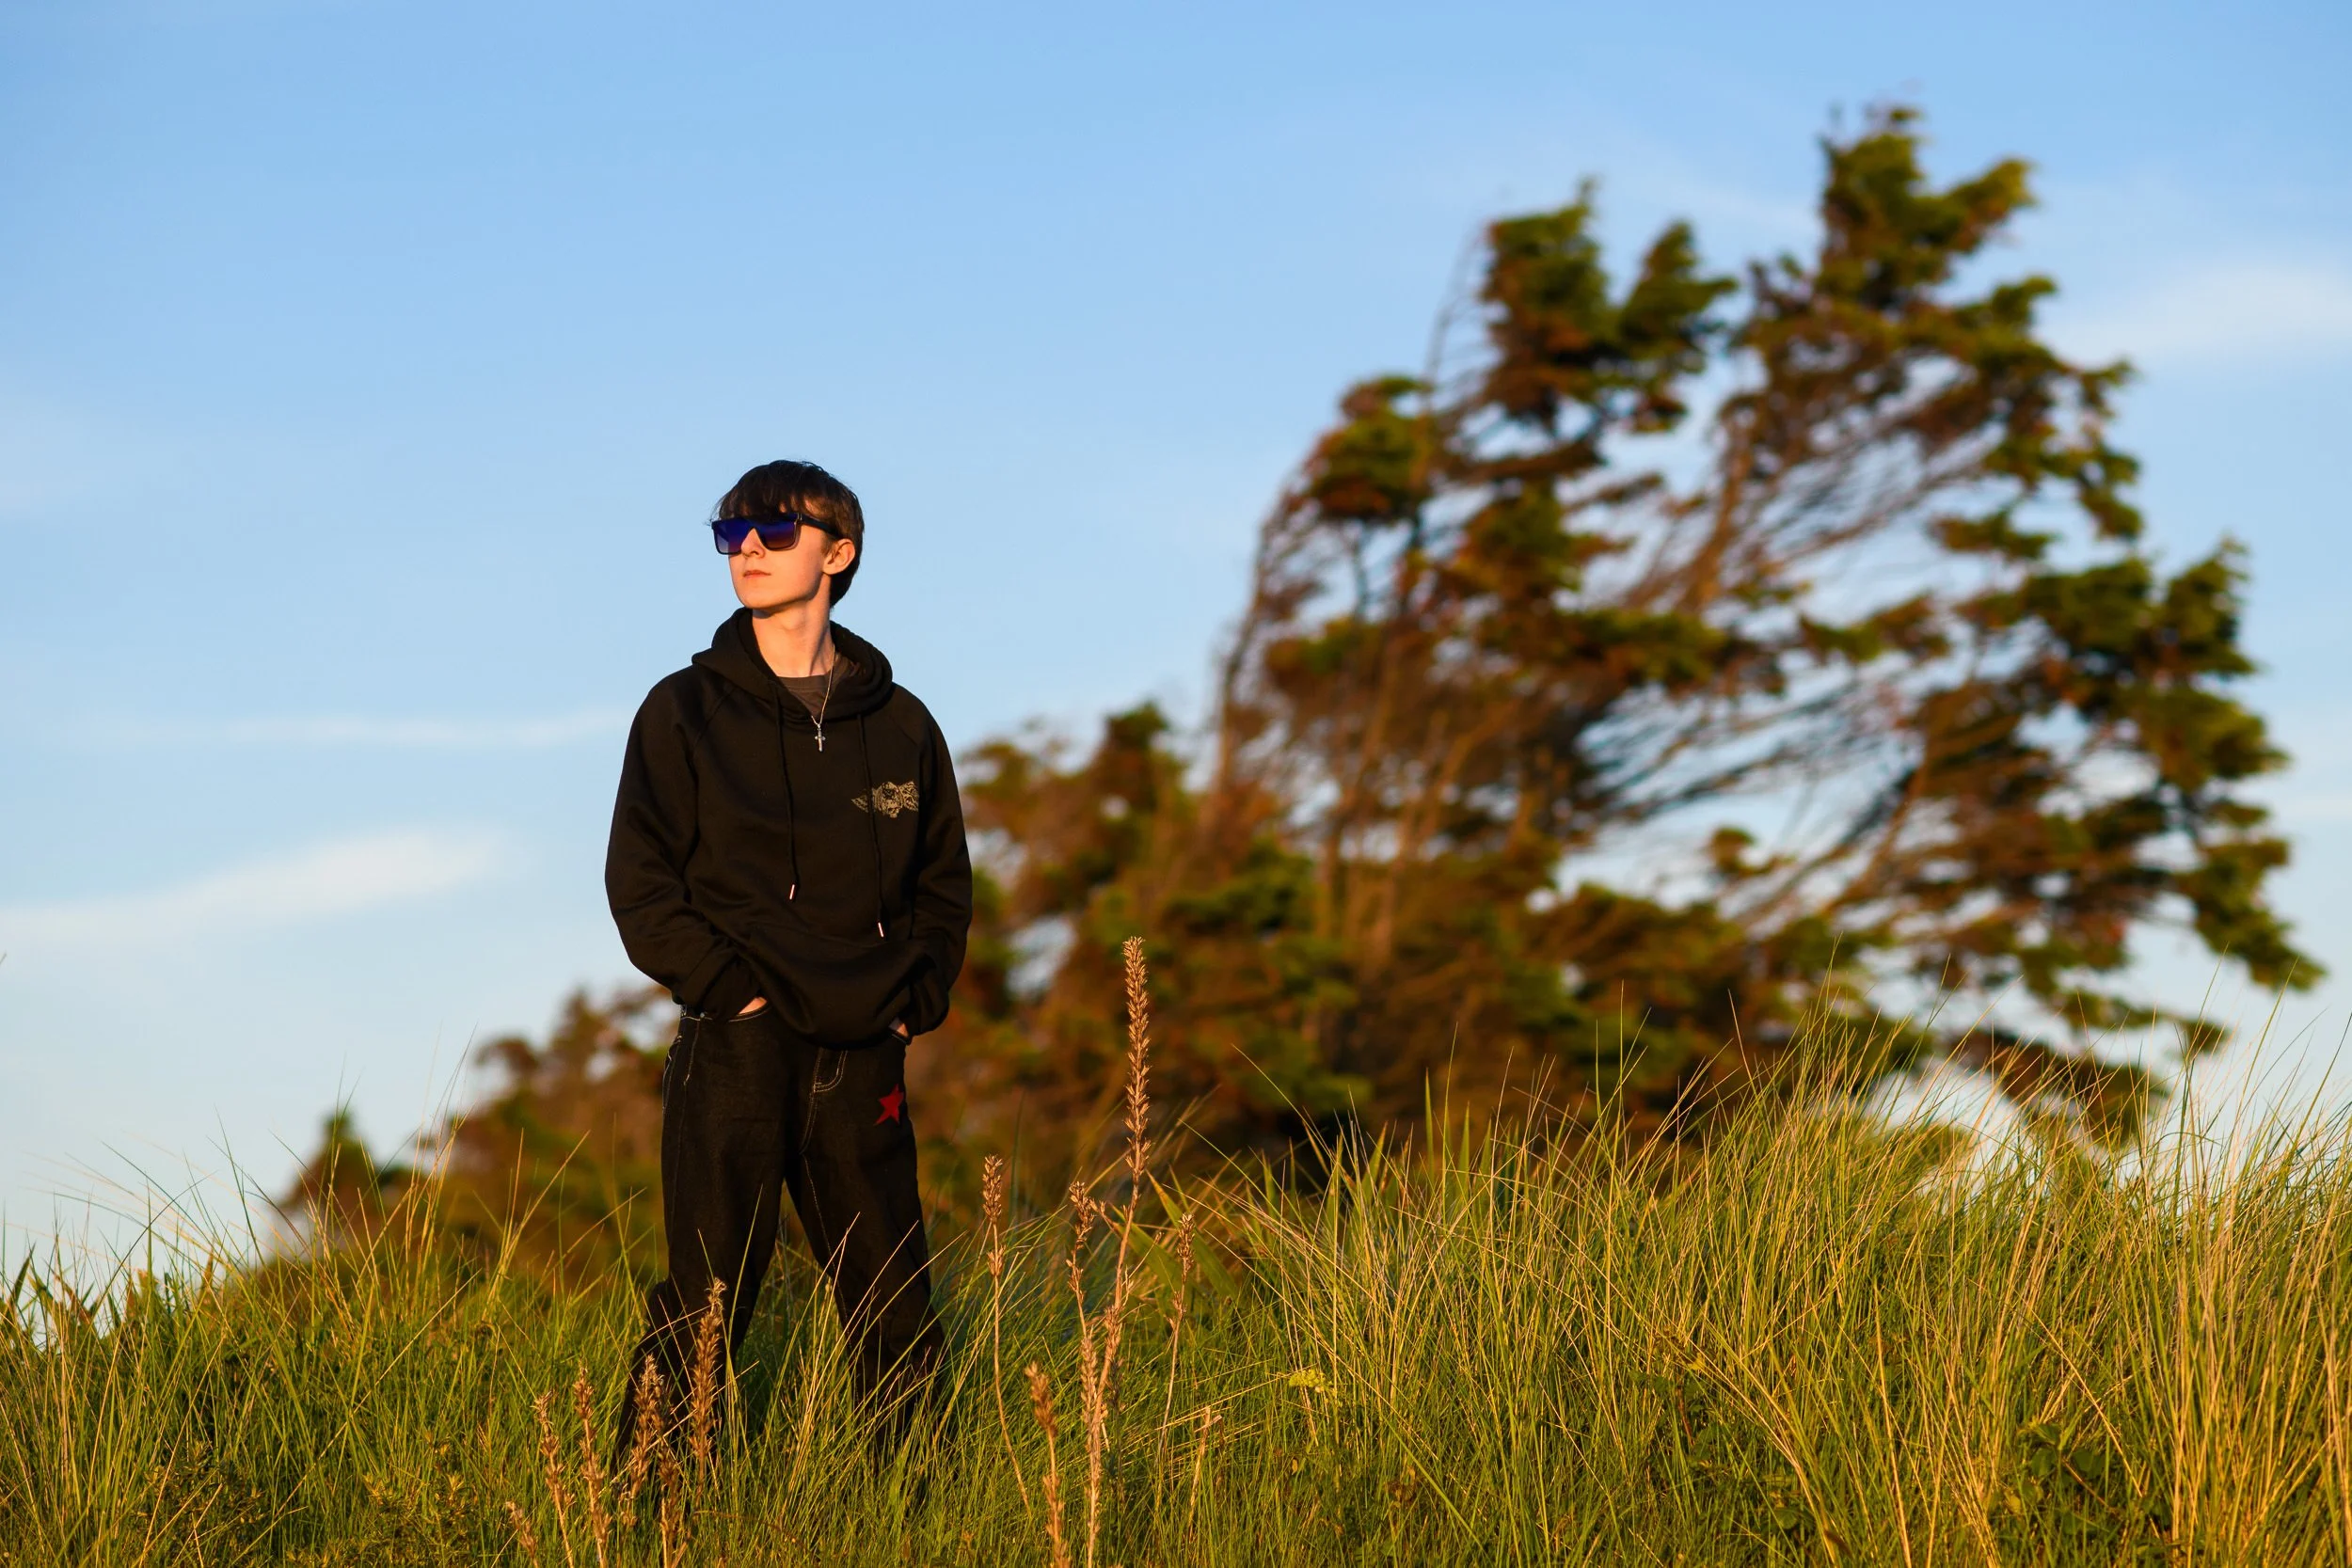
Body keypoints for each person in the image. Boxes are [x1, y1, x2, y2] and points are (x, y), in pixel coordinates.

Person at [604, 459, 970, 1451]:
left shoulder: (900, 727)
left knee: (895, 1311)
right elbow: (640, 884)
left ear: (837, 552)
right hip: (736, 1046)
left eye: (772, 531)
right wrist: (732, 994)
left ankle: (922, 1518)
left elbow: (944, 890)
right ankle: (644, 1524)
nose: (749, 550)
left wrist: (911, 1000)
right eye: (731, 535)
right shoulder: (681, 710)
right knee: (702, 1308)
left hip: (862, 1055)